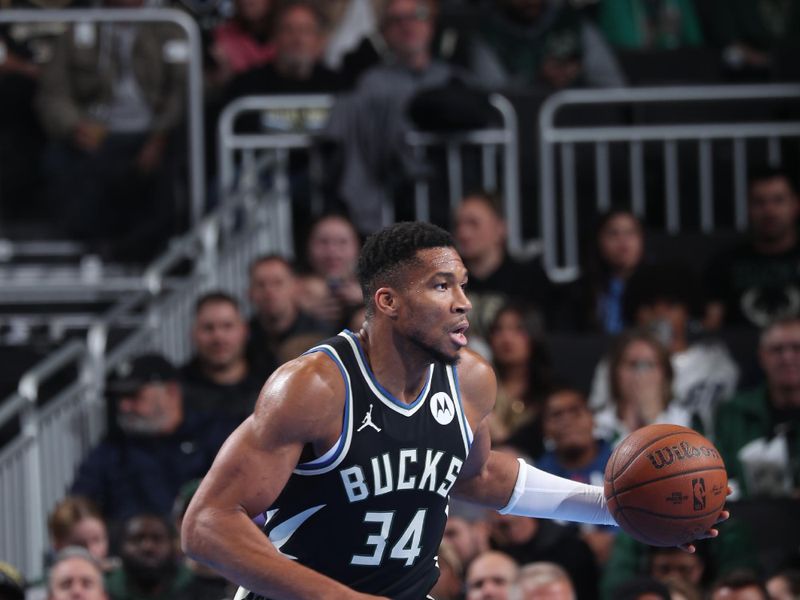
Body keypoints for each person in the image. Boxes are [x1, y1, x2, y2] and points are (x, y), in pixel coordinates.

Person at [180, 221, 723, 599]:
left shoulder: (470, 379)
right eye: (442, 285)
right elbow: (206, 524)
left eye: (463, 284)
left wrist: (613, 507)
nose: (463, 301)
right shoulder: (313, 387)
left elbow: (479, 475)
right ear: (388, 301)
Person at [35, 0, 187, 261]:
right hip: (95, 131)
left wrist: (160, 134)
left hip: (155, 131)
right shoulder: (77, 23)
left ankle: (143, 251)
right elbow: (52, 91)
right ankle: (89, 248)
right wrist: (74, 125)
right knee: (58, 161)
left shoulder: (171, 22)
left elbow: (186, 90)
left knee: (172, 166)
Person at [70, 354, 236, 522]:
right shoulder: (112, 448)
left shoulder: (212, 434)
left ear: (171, 391)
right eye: (120, 398)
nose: (124, 406)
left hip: (200, 539)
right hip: (127, 543)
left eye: (134, 396)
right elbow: (79, 503)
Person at [715, 316, 800, 498]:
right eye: (777, 350)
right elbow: (717, 478)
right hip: (747, 521)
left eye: (796, 348)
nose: (787, 357)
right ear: (762, 356)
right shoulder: (732, 413)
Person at [704, 168, 800, 330]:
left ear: (795, 205)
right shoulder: (724, 263)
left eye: (778, 200)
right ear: (748, 208)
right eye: (759, 202)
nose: (769, 211)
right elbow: (712, 326)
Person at [454, 193, 554, 339]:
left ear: (500, 228)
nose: (463, 233)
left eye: (473, 223)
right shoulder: (447, 280)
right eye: (458, 224)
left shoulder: (530, 280)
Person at [593, 329, 693, 444]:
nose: (640, 374)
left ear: (664, 374)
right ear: (616, 372)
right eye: (633, 364)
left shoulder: (687, 422)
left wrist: (652, 420)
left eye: (648, 365)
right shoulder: (597, 426)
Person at [180, 292, 264, 422]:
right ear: (193, 334)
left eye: (227, 326)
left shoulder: (270, 382)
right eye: (208, 328)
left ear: (245, 331)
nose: (218, 337)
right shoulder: (178, 391)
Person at [246, 254, 330, 377]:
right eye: (261, 285)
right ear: (249, 293)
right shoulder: (243, 339)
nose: (269, 291)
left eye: (278, 283)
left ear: (296, 287)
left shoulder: (323, 335)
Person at [486, 302, 552, 448]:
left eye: (518, 330)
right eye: (498, 330)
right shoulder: (478, 386)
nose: (506, 338)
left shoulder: (550, 393)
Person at [297, 214, 364, 328]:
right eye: (323, 242)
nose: (332, 252)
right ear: (308, 248)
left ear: (357, 248)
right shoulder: (293, 292)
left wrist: (369, 300)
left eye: (342, 242)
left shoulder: (377, 287)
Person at [105, 514, 193, 600]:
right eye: (137, 539)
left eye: (157, 538)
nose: (148, 547)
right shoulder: (106, 588)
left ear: (173, 545)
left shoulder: (192, 585)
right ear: (121, 545)